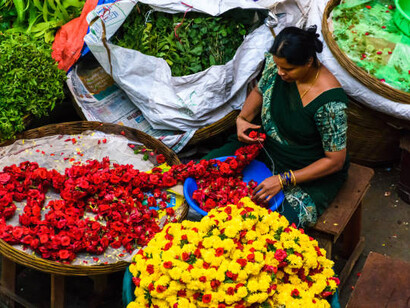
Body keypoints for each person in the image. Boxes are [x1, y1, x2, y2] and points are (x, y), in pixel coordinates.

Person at [203, 25, 349, 228]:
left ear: (308, 62)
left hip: (306, 171)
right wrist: (243, 119)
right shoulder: (277, 66)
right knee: (203, 172)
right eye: (278, 66)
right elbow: (260, 90)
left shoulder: (330, 103)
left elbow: (335, 161)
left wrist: (283, 180)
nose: (280, 72)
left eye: (287, 69)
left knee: (270, 228)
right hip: (265, 146)